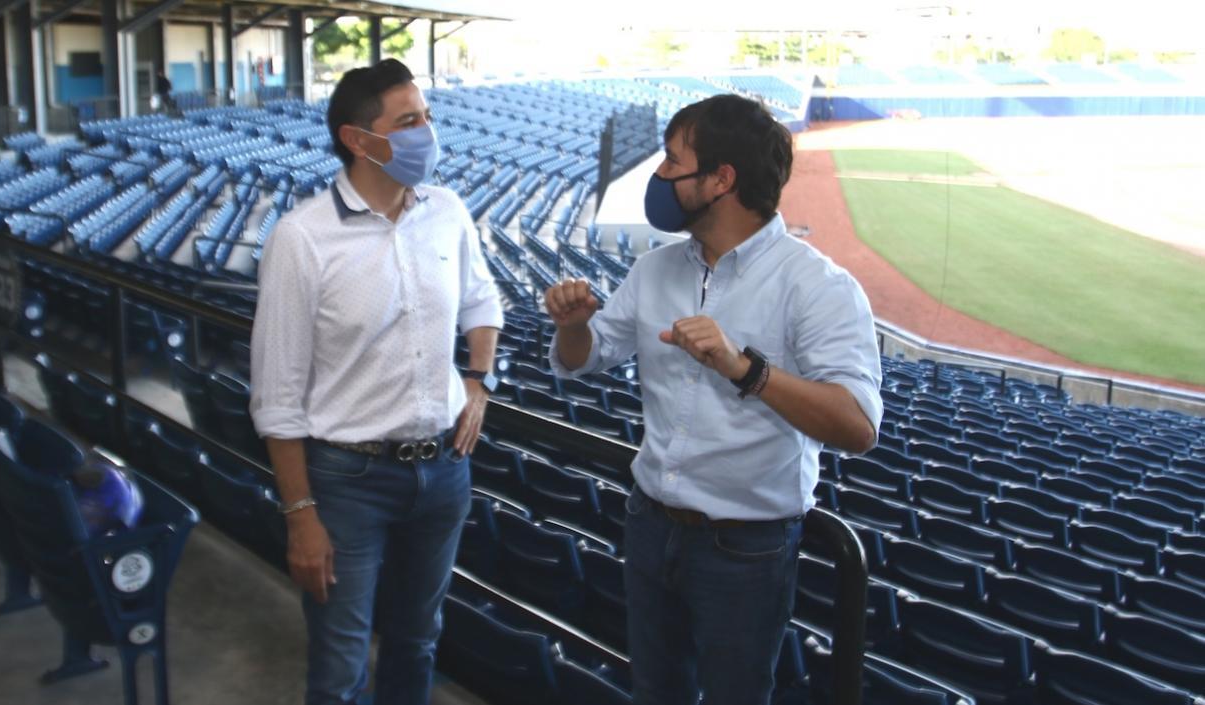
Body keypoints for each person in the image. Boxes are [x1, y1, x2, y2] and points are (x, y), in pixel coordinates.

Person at [543, 94, 882, 705]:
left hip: (746, 547)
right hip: (649, 524)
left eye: (674, 162)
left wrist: (744, 368)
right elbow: (582, 360)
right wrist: (571, 325)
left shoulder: (818, 286)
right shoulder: (655, 269)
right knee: (655, 691)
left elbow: (857, 426)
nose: (660, 176)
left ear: (721, 180)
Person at [249, 59, 502, 705]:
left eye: (428, 116)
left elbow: (482, 302)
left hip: (445, 468)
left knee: (418, 641)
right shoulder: (303, 237)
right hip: (347, 482)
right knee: (340, 664)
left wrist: (477, 379)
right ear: (359, 140)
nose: (428, 131)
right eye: (409, 120)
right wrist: (300, 514)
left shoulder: (447, 210)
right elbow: (278, 395)